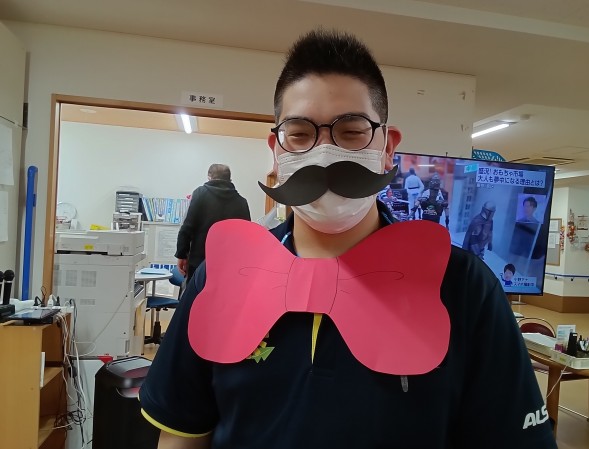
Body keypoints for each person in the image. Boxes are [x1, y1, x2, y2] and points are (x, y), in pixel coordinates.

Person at [140, 29, 557, 449]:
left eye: (352, 131)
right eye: (300, 134)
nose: (324, 154)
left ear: (388, 147)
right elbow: (182, 435)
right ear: (276, 151)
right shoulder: (224, 279)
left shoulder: (464, 287)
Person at [175, 163, 250, 280]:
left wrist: (181, 254)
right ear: (229, 179)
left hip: (200, 262)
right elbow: (246, 236)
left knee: (198, 291)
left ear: (209, 177)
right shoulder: (241, 202)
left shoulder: (200, 194)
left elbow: (187, 226)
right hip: (229, 265)